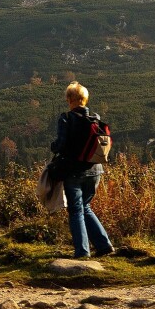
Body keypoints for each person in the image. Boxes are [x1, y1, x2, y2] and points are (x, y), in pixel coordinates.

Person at [51, 82, 114, 259]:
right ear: (84, 100)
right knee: (85, 207)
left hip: (74, 172)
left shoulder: (66, 118)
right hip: (95, 171)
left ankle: (82, 252)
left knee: (76, 210)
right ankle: (104, 245)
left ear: (70, 100)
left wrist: (53, 147)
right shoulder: (95, 119)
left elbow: (60, 145)